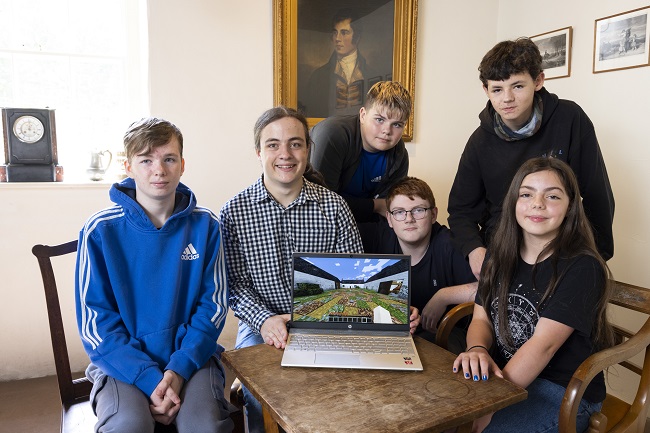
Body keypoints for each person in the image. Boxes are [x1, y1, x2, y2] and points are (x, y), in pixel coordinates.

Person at [75, 117, 233, 433]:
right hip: (123, 364)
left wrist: (176, 371)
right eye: (146, 160)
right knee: (127, 426)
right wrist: (150, 378)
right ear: (128, 167)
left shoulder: (207, 227)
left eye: (168, 159)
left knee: (205, 427)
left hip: (191, 358)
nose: (158, 170)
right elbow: (96, 322)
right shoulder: (100, 230)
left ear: (182, 164)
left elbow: (213, 308)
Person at [452, 157, 616, 433]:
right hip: (505, 373)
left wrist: (491, 404)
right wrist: (477, 349)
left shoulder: (583, 267)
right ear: (514, 202)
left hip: (563, 392)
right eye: (527, 194)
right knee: (441, 419)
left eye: (552, 196)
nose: (537, 203)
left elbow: (543, 346)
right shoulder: (498, 254)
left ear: (571, 207)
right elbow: (480, 319)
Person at [447, 37, 615, 280]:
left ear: (538, 81)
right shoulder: (479, 141)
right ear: (486, 90)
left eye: (517, 86)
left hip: (562, 252)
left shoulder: (570, 119)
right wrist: (473, 249)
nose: (506, 99)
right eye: (497, 89)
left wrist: (594, 258)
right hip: (503, 253)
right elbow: (461, 210)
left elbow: (598, 197)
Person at [359, 177, 476, 351]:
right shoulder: (378, 237)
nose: (409, 219)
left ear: (434, 214)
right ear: (389, 219)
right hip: (391, 332)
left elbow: (490, 289)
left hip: (443, 334)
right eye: (399, 212)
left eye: (418, 210)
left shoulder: (450, 244)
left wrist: (444, 296)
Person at [310, 80, 412, 223]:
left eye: (396, 124)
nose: (387, 131)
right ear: (363, 115)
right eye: (379, 120)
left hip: (363, 223)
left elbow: (389, 209)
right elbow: (322, 205)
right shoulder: (332, 135)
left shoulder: (399, 154)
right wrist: (375, 205)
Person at [302, 9, 380, 118]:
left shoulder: (373, 76)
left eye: (344, 33)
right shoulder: (318, 76)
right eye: (335, 32)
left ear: (357, 37)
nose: (337, 38)